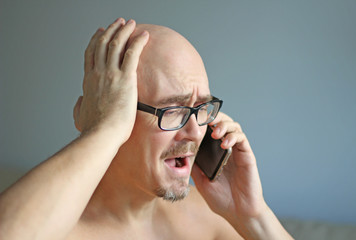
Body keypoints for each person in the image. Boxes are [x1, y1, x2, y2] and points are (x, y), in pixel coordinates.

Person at [0, 18, 293, 240]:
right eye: (172, 109)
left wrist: (253, 217)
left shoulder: (209, 218)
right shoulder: (56, 228)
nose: (194, 130)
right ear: (98, 116)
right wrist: (102, 132)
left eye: (201, 108)